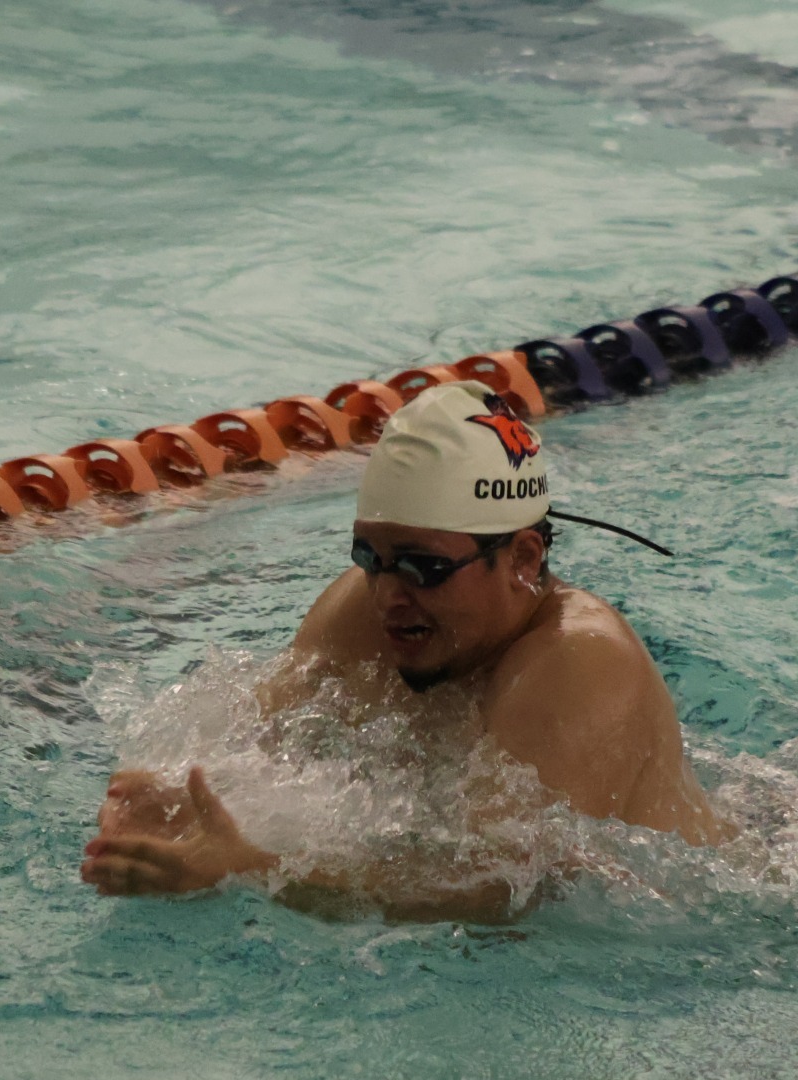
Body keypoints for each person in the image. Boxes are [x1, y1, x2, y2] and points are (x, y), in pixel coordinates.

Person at [81, 380, 731, 920]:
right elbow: (261, 739)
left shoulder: (578, 666)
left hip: (712, 922)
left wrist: (263, 874)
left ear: (524, 560)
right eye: (372, 558)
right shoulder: (369, 610)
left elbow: (499, 892)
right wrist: (178, 804)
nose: (389, 594)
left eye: (423, 565)